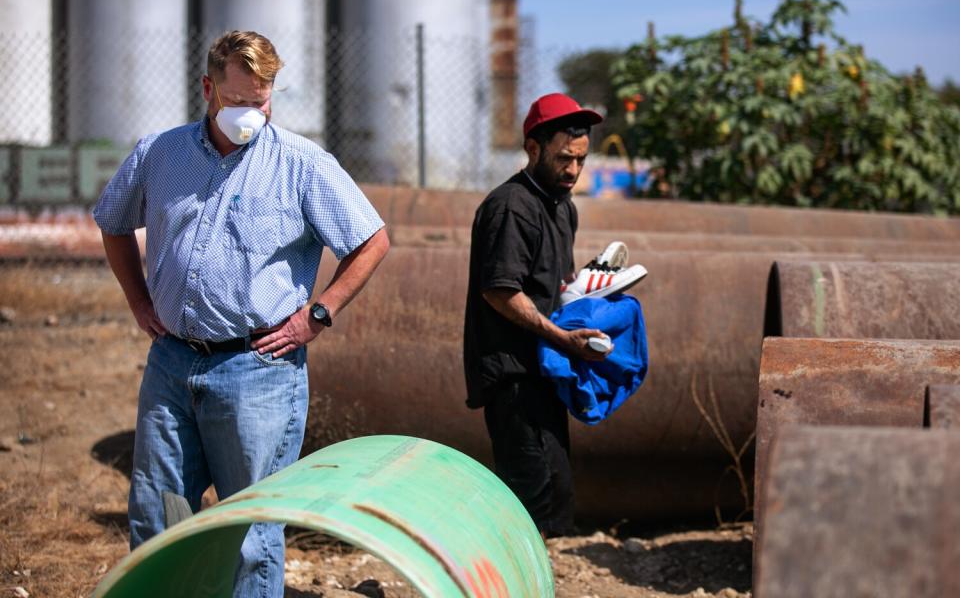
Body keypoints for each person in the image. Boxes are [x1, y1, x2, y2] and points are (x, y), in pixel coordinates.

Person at [93, 30, 389, 597]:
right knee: (161, 515)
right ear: (208, 89)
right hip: (173, 364)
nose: (251, 113)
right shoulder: (161, 152)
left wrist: (316, 316)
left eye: (262, 100)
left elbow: (371, 240)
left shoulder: (302, 164)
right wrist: (137, 299)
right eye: (238, 101)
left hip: (258, 372)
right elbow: (113, 220)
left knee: (251, 530)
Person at [462, 92, 610, 536]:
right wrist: (562, 339)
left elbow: (556, 285)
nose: (573, 170)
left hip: (544, 370)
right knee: (534, 498)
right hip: (513, 375)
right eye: (564, 158)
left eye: (581, 160)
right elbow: (500, 292)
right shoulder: (512, 207)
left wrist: (597, 288)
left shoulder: (563, 208)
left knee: (553, 492)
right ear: (533, 148)